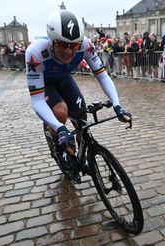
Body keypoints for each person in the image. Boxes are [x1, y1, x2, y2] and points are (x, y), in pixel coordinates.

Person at [25, 10, 131, 173]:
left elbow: (103, 76)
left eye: (73, 45)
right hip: (46, 84)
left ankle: (80, 155)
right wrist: (60, 128)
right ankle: (60, 149)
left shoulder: (86, 45)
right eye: (62, 44)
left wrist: (117, 105)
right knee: (61, 113)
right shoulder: (35, 53)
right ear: (52, 41)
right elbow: (37, 100)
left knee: (82, 121)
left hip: (65, 80)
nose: (68, 51)